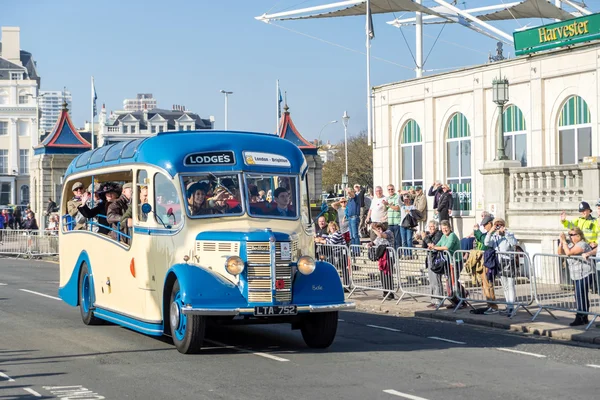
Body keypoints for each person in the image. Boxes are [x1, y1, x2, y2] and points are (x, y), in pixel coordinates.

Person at [558, 227, 594, 326]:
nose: (570, 237)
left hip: (585, 273)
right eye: (569, 235)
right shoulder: (569, 245)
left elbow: (569, 253)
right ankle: (583, 317)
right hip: (576, 275)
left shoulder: (582, 244)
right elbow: (560, 253)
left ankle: (581, 317)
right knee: (578, 296)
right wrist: (562, 242)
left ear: (579, 235)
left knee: (580, 295)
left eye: (572, 235)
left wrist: (565, 241)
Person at [484, 217, 518, 316]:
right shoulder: (495, 236)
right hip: (499, 262)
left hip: (508, 261)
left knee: (511, 285)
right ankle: (508, 305)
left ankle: (511, 307)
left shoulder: (509, 233)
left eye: (501, 225)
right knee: (505, 286)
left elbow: (514, 243)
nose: (499, 227)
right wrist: (490, 232)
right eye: (497, 225)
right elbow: (486, 243)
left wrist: (505, 234)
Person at [428, 220, 463, 308]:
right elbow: (438, 244)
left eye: (446, 228)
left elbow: (447, 247)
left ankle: (461, 300)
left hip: (456, 261)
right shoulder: (443, 236)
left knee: (452, 282)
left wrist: (435, 247)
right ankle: (456, 300)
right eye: (443, 229)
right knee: (449, 282)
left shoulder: (452, 235)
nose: (444, 230)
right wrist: (432, 246)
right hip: (448, 262)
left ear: (450, 228)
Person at [368, 222, 395, 300]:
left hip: (389, 257)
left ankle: (390, 293)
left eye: (379, 228)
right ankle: (385, 292)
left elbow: (381, 235)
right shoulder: (378, 236)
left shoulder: (388, 232)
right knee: (383, 275)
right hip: (382, 258)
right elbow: (374, 242)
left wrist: (374, 229)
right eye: (377, 229)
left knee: (388, 275)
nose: (378, 230)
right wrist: (370, 244)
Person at [421, 220, 443, 308]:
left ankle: (439, 300)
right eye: (429, 227)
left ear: (436, 227)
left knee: (436, 281)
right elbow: (424, 246)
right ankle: (433, 299)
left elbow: (432, 244)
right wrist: (424, 238)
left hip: (436, 260)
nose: (430, 229)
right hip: (430, 259)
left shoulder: (438, 234)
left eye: (432, 227)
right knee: (431, 281)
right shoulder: (430, 235)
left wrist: (425, 238)